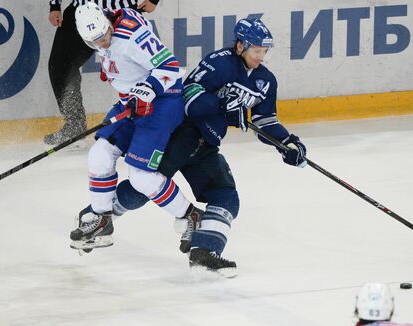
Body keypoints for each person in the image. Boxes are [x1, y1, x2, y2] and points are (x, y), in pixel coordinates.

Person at [109, 18, 308, 278]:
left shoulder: (265, 80)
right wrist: (224, 108)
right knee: (145, 186)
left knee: (225, 196)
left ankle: (204, 251)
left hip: (206, 143)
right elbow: (190, 99)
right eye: (256, 50)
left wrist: (287, 143)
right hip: (180, 134)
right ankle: (100, 215)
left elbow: (265, 120)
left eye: (264, 52)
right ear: (240, 46)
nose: (261, 57)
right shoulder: (219, 62)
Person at [69, 3, 202, 252]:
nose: (103, 44)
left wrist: (148, 90)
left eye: (104, 36)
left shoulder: (131, 36)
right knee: (99, 154)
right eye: (95, 42)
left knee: (140, 177)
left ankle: (190, 215)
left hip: (161, 104)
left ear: (108, 23)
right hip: (130, 103)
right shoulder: (102, 35)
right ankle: (102, 220)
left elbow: (170, 68)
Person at [45, 0, 160, 145]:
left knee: (137, 70)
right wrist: (55, 5)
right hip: (82, 13)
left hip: (121, 13)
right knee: (60, 66)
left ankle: (151, 121)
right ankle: (74, 126)